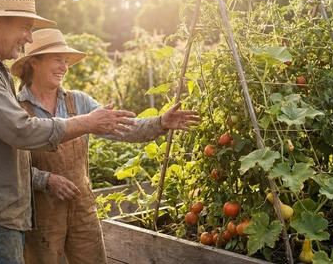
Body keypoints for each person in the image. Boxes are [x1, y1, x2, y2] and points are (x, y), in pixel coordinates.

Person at [0, 0, 137, 264]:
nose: (29, 37)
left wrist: (161, 122)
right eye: (25, 27)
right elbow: (20, 130)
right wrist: (86, 123)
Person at [10, 28, 202, 264]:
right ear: (34, 63)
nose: (64, 67)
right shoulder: (17, 109)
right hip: (40, 213)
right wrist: (45, 180)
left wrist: (161, 122)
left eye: (66, 61)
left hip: (81, 206)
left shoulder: (78, 101)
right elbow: (8, 166)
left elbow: (125, 128)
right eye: (57, 59)